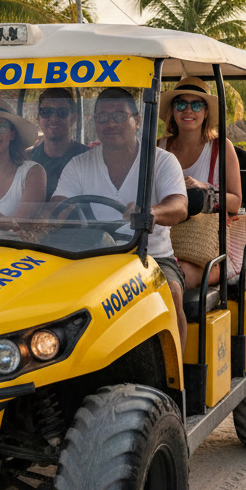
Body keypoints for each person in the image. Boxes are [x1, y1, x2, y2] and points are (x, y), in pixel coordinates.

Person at [52, 88, 189, 348]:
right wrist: (53, 216)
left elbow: (179, 206)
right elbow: (59, 205)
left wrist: (151, 212)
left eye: (118, 116)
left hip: (151, 256)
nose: (110, 123)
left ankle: (176, 378)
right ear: (94, 124)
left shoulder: (162, 160)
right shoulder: (79, 164)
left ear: (137, 120)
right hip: (92, 256)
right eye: (103, 118)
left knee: (171, 291)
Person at [158, 78, 242, 290]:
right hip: (163, 238)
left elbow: (235, 202)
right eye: (181, 104)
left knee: (168, 283)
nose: (188, 111)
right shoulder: (161, 146)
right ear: (172, 111)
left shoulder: (221, 147)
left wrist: (204, 189)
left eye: (196, 105)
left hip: (209, 248)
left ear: (206, 112)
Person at [28, 88, 90, 198]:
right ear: (38, 117)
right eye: (46, 112)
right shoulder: (27, 160)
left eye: (62, 113)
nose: (53, 118)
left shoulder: (90, 159)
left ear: (73, 118)